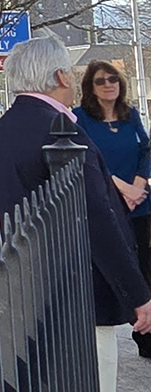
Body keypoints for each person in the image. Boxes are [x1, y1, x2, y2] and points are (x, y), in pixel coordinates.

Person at [0, 37, 151, 391]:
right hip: (81, 288)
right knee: (95, 378)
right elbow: (97, 219)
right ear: (61, 76)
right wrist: (138, 294)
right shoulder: (63, 131)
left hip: (29, 286)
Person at [74, 60, 151, 359]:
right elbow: (86, 160)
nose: (109, 84)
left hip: (139, 205)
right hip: (106, 206)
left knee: (145, 271)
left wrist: (139, 187)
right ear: (90, 88)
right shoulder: (78, 118)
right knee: (115, 269)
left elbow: (145, 150)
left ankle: (145, 337)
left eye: (113, 79)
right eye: (101, 80)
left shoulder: (130, 115)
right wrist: (119, 187)